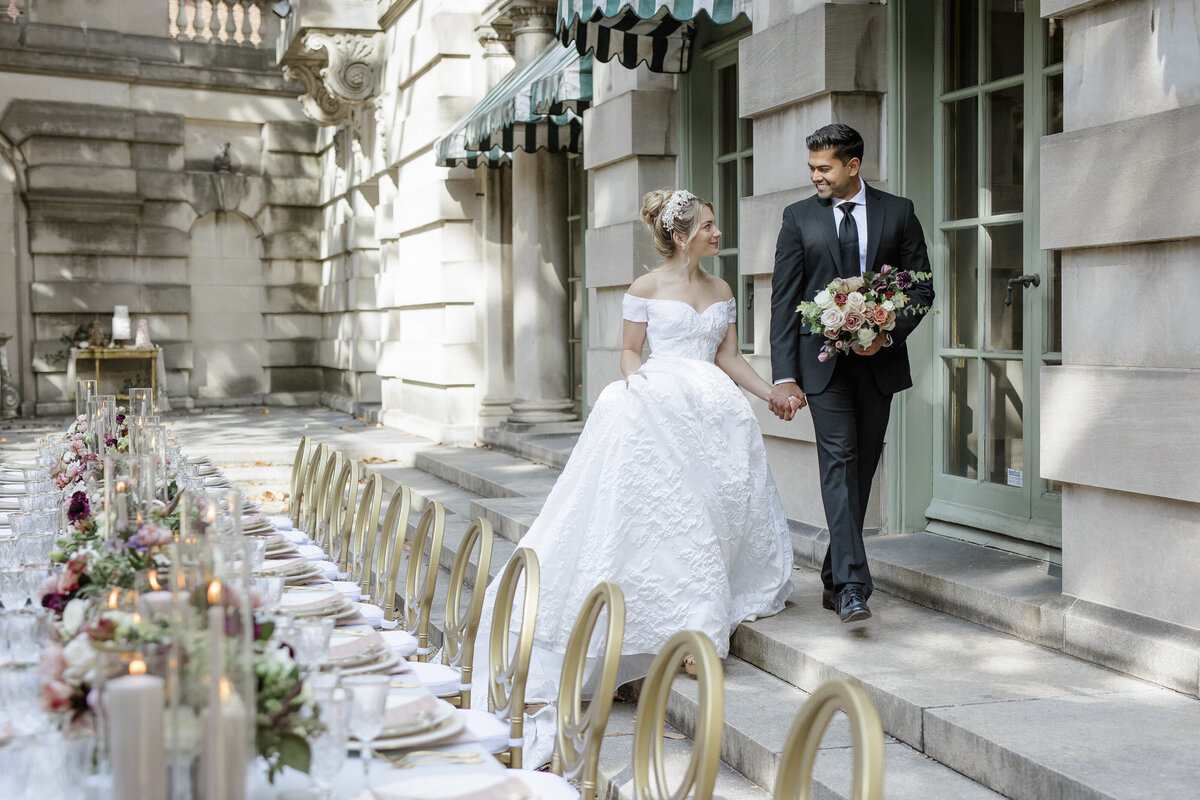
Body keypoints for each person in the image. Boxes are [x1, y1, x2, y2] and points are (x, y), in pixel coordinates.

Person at [471, 188, 794, 766]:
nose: (718, 234)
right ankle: (694, 633)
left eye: (716, 225)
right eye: (710, 226)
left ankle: (696, 623)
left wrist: (769, 393)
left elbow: (727, 356)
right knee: (676, 522)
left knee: (710, 520)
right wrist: (636, 385)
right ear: (680, 234)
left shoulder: (721, 290)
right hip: (660, 408)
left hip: (714, 414)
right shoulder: (645, 289)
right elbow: (628, 351)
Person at [768, 123, 934, 623]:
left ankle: (832, 574)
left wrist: (887, 331)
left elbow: (921, 289)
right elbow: (784, 300)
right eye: (812, 167)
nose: (815, 176)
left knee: (860, 468)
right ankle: (854, 588)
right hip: (820, 369)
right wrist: (783, 375)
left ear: (852, 166)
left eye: (824, 168)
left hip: (877, 364)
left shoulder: (898, 212)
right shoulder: (798, 218)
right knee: (838, 461)